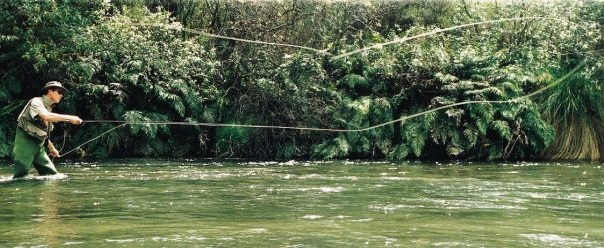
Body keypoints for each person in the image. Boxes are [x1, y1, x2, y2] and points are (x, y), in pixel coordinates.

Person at [12, 81, 82, 179]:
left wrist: (51, 148)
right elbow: (46, 116)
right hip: (25, 146)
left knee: (53, 176)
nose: (61, 95)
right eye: (59, 92)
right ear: (50, 91)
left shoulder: (48, 108)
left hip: (39, 148)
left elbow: (42, 131)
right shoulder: (36, 102)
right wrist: (71, 118)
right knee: (20, 179)